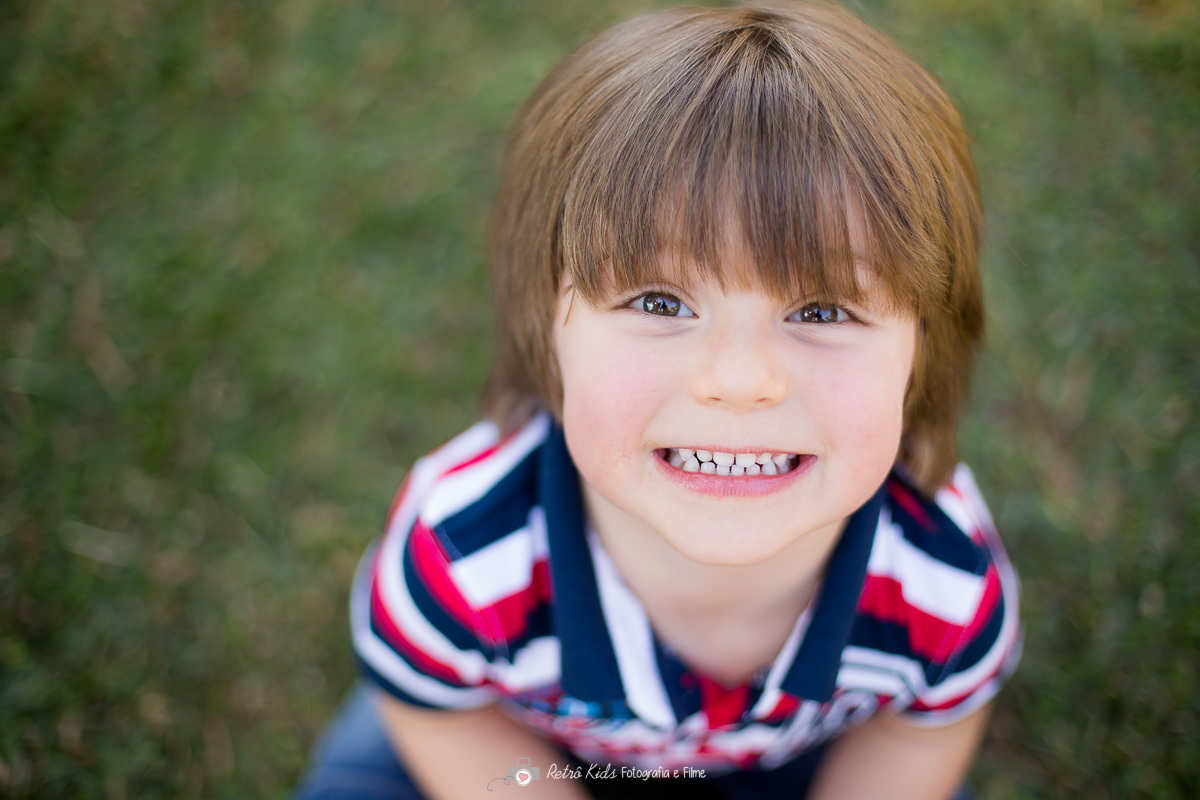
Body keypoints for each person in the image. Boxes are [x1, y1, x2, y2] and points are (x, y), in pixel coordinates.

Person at [295, 3, 1022, 798]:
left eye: (821, 311)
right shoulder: (460, 554)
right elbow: (439, 711)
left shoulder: (943, 580)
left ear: (926, 341)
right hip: (527, 754)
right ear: (548, 320)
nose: (741, 379)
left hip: (797, 763)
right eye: (659, 302)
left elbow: (924, 728)